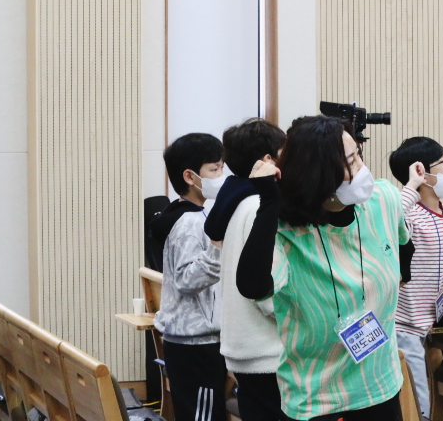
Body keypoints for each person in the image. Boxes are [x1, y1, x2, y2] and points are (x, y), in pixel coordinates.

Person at [236, 115, 412, 421]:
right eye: (350, 162)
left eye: (358, 155)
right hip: (320, 400)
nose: (362, 170)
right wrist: (268, 203)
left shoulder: (383, 200)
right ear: (318, 174)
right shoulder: (287, 233)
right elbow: (252, 286)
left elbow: (404, 252)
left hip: (381, 386)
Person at [204, 118, 287, 421]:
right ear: (268, 160)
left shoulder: (238, 201)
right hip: (266, 350)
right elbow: (265, 291)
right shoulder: (259, 208)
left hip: (246, 346)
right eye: (285, 154)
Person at [151, 133, 228, 421]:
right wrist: (219, 248)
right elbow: (186, 280)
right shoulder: (188, 222)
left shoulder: (193, 215)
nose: (221, 176)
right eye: (214, 169)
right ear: (189, 176)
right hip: (195, 344)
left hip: (195, 342)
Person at [388, 136, 443, 417]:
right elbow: (390, 217)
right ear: (422, 173)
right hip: (405, 323)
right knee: (417, 401)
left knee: (425, 391)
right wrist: (411, 186)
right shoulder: (411, 216)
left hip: (430, 321)